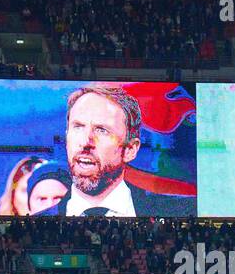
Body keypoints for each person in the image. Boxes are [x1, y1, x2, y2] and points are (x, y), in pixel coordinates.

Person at [31, 84, 195, 217]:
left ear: (130, 149)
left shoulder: (180, 213)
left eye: (102, 130)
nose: (86, 141)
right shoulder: (36, 225)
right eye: (78, 127)